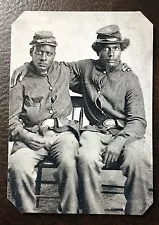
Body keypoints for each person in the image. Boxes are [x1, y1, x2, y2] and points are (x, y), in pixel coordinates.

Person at [11, 25, 151, 215]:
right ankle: (93, 215)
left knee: (140, 160)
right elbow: (51, 66)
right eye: (106, 48)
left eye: (115, 48)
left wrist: (119, 141)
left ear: (121, 50)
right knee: (85, 158)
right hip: (95, 131)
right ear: (98, 50)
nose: (111, 54)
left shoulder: (130, 78)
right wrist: (27, 66)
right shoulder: (85, 68)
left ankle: (136, 216)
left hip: (126, 134)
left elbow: (138, 121)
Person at [9, 31, 80, 213]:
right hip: (31, 136)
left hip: (62, 135)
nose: (43, 58)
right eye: (39, 52)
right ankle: (28, 214)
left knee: (70, 163)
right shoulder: (20, 79)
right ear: (31, 52)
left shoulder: (64, 71)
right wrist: (24, 135)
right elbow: (9, 119)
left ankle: (69, 214)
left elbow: (94, 68)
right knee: (17, 166)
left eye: (48, 53)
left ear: (54, 55)